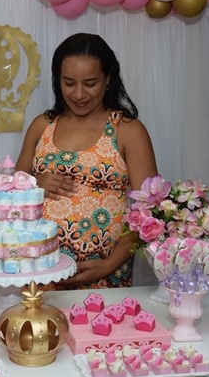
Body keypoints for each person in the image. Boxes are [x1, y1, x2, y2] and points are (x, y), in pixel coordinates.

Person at [15, 33, 158, 290]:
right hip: (41, 275)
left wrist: (109, 264)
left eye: (90, 83)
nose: (79, 94)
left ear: (108, 79)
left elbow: (148, 213)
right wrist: (33, 183)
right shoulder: (42, 125)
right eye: (69, 83)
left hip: (106, 277)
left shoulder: (128, 130)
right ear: (58, 80)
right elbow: (8, 194)